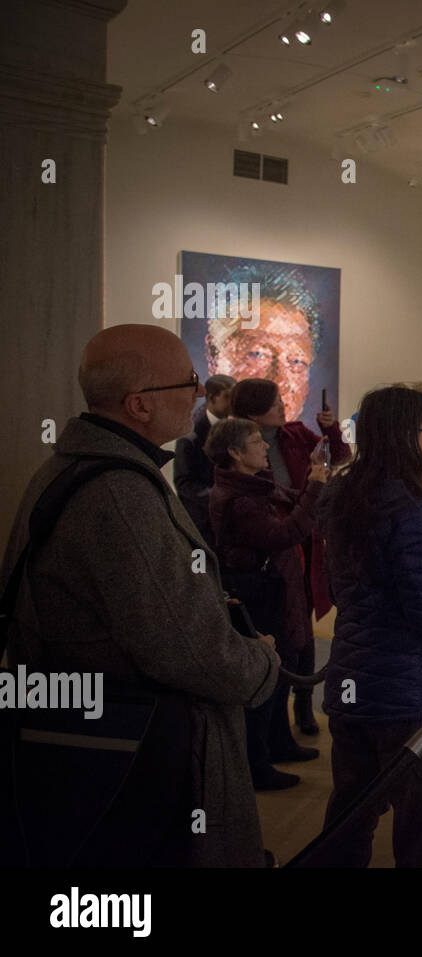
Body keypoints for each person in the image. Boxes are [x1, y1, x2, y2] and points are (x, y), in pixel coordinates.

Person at [1, 324, 279, 866]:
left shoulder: (75, 466)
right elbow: (190, 652)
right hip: (143, 747)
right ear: (139, 405)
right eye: (189, 381)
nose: (200, 392)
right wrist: (261, 664)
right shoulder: (120, 492)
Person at [318, 383, 422, 866]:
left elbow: (342, 589)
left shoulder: (341, 494)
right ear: (408, 437)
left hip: (351, 679)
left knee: (350, 816)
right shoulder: (409, 511)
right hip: (408, 698)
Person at [207, 417, 327, 790]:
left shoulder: (254, 485)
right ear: (235, 452)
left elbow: (291, 503)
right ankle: (257, 765)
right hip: (259, 594)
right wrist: (315, 489)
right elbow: (285, 533)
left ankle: (280, 743)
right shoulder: (239, 499)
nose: (264, 447)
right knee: (266, 675)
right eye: (257, 441)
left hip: (275, 588)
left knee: (281, 671)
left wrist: (313, 482)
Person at [231, 377, 350, 735]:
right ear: (253, 412)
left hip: (304, 539)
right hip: (273, 547)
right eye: (274, 403)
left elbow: (339, 456)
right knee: (281, 630)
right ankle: (276, 725)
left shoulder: (295, 434)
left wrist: (330, 432)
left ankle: (302, 707)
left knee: (304, 626)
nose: (283, 406)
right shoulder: (237, 447)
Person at [204, 263, 320, 424]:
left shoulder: (301, 442)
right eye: (258, 354)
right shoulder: (195, 441)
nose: (280, 383)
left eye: (296, 361)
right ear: (214, 354)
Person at [174, 373, 236, 545]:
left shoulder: (233, 428)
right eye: (227, 397)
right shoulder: (190, 436)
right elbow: (184, 485)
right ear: (211, 398)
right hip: (203, 524)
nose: (233, 403)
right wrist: (221, 496)